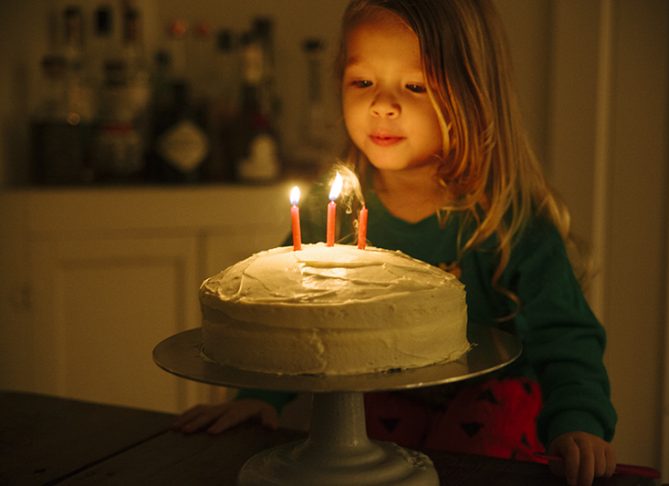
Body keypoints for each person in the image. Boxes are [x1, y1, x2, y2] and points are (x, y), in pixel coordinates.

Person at [173, 1, 618, 485]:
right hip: (379, 422)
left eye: (415, 86)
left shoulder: (511, 225)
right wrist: (259, 399)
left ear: (473, 94)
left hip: (492, 428)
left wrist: (579, 424)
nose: (382, 105)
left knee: (490, 417)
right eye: (363, 82)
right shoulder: (336, 219)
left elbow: (567, 339)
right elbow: (294, 324)